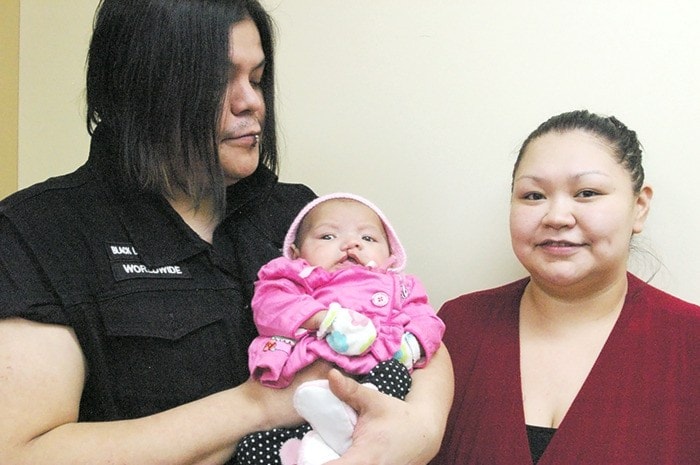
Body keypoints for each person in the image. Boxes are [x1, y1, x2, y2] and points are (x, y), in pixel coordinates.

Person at [0, 1, 453, 464]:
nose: (251, 102)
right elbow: (23, 453)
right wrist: (257, 406)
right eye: (218, 81)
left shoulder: (299, 215)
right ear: (139, 87)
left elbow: (411, 323)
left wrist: (419, 430)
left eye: (256, 79)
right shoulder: (38, 232)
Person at [430, 110, 700, 465]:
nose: (556, 217)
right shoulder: (456, 326)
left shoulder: (690, 341)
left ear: (639, 207)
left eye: (587, 193)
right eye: (533, 196)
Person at [234, 193, 445, 464]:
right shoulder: (293, 277)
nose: (351, 243)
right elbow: (270, 306)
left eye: (368, 238)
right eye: (328, 237)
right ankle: (315, 444)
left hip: (372, 386)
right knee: (251, 448)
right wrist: (323, 319)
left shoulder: (401, 287)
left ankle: (334, 438)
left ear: (390, 255)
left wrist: (411, 346)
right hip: (303, 382)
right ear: (297, 254)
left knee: (396, 375)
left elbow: (427, 320)